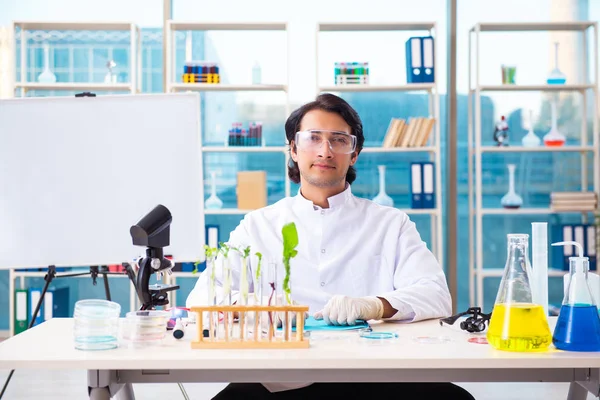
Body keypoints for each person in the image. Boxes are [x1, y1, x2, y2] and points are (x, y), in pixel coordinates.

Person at [187, 93, 475, 400]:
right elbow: (202, 295)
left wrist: (375, 304)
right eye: (313, 138)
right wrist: (250, 306)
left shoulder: (390, 223)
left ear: (354, 154)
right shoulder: (258, 225)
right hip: (280, 377)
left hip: (375, 376)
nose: (325, 151)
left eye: (338, 140)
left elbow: (436, 294)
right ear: (293, 149)